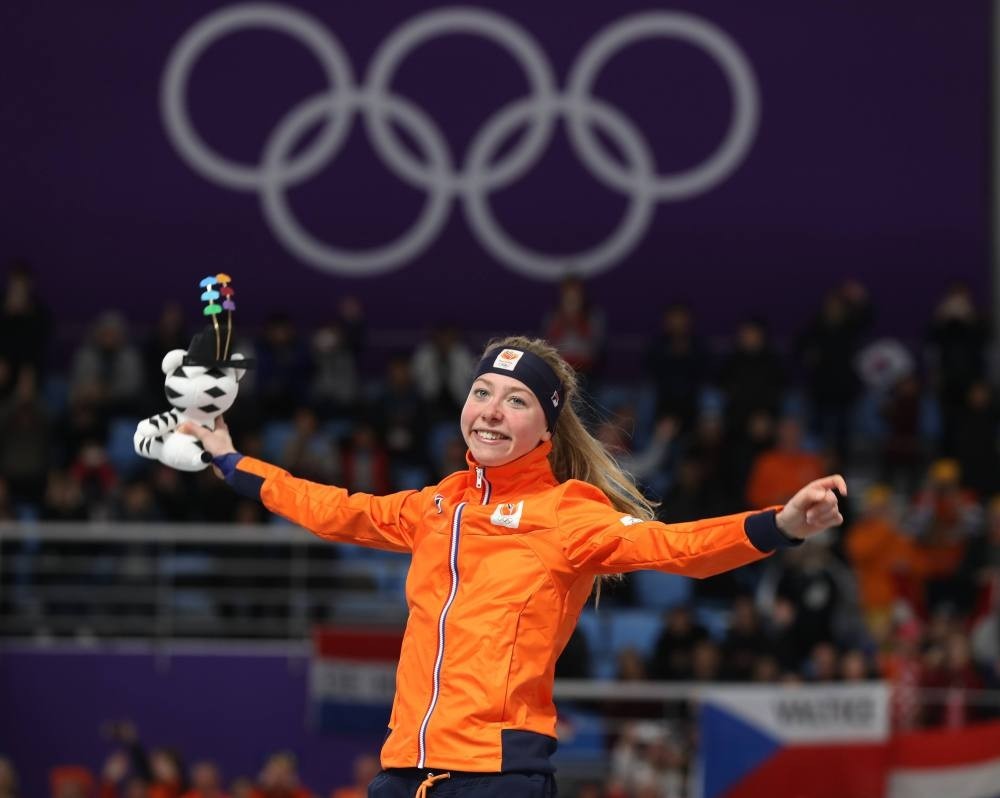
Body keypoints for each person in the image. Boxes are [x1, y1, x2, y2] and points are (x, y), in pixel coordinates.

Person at [179, 336, 847, 797]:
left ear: (545, 432)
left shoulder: (567, 513)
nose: (491, 411)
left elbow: (674, 549)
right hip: (402, 771)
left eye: (517, 400)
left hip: (498, 777)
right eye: (482, 392)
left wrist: (780, 526)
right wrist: (231, 461)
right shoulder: (437, 503)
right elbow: (332, 508)